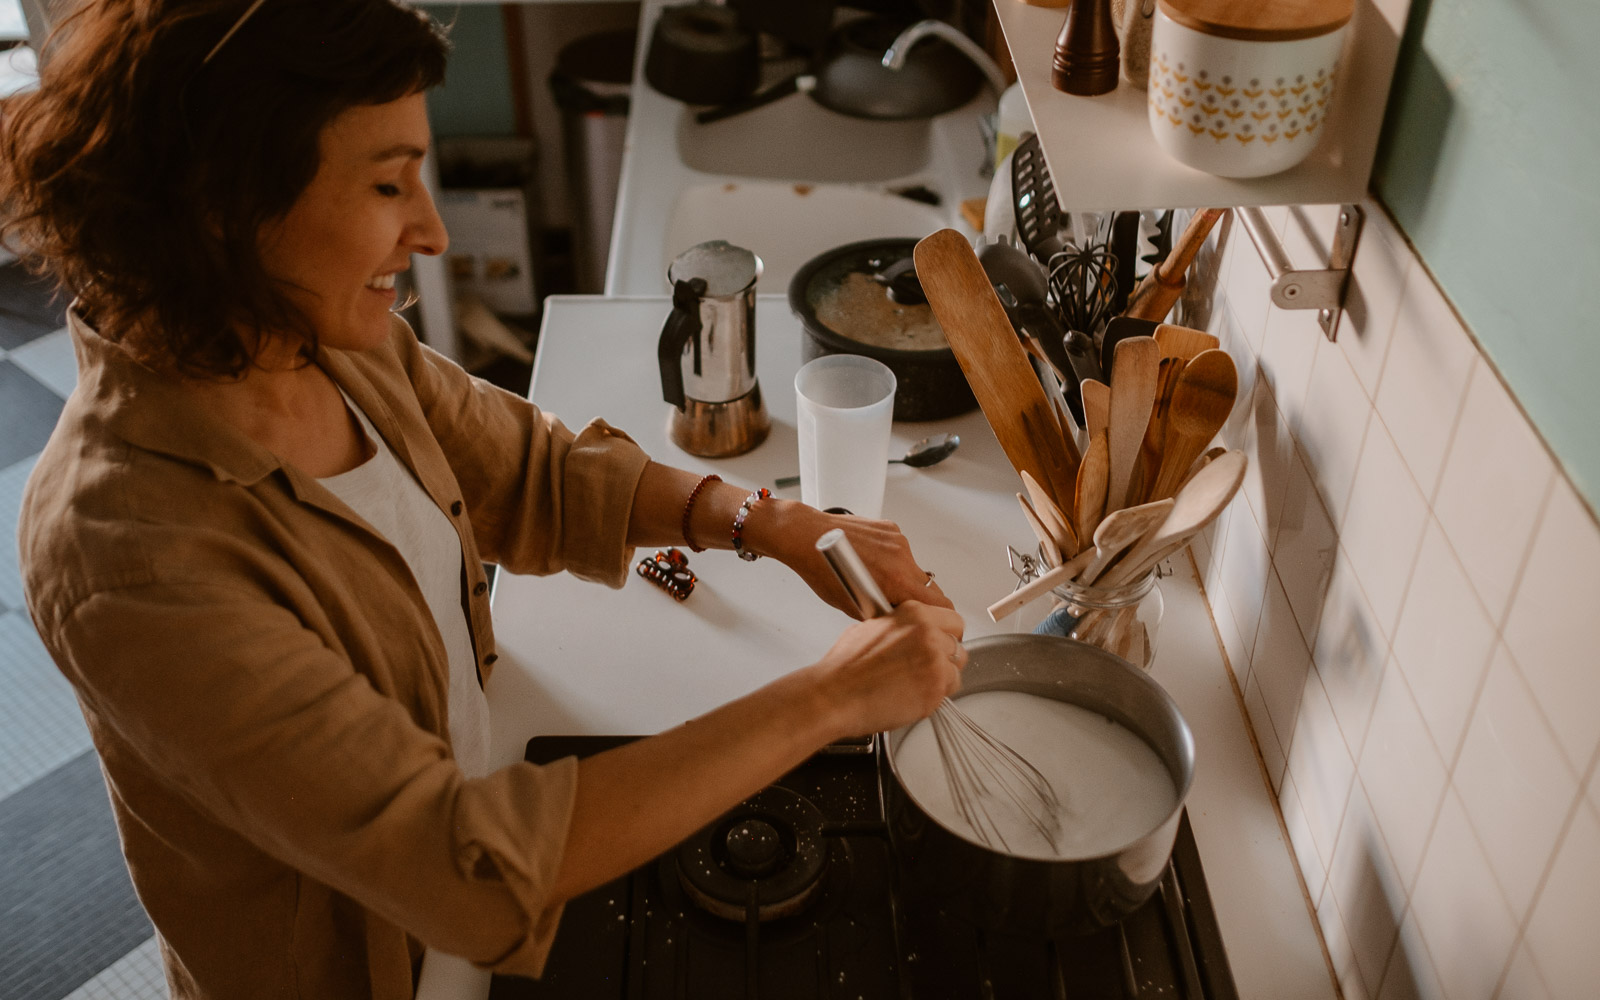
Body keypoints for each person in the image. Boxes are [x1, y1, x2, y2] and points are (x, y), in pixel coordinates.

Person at [2, 2, 967, 997]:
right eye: (388, 183)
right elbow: (455, 863)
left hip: (471, 803)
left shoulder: (320, 340)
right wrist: (833, 697)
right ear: (222, 204)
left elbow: (529, 467)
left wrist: (772, 522)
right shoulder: (123, 557)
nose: (429, 229)